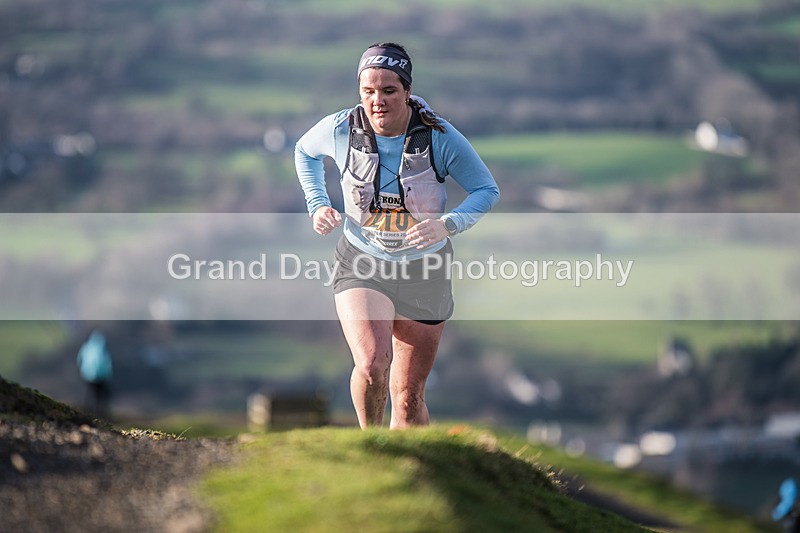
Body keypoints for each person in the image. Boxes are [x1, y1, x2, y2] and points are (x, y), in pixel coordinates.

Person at [295, 42, 499, 429]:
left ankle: (416, 471)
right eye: (368, 91)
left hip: (425, 269)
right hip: (362, 261)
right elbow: (304, 151)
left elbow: (486, 190)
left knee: (407, 398)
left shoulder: (440, 136)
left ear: (407, 90)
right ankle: (371, 448)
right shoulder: (340, 128)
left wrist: (448, 223)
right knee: (372, 366)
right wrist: (317, 203)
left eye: (389, 90)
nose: (378, 101)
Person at [76, 329, 113, 419]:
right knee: (100, 396)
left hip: (88, 375)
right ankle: (99, 414)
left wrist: (83, 370)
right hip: (101, 376)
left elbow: (79, 359)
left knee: (88, 394)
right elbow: (107, 363)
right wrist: (108, 375)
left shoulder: (86, 347)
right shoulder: (103, 349)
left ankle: (86, 412)